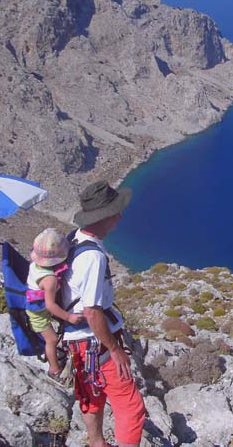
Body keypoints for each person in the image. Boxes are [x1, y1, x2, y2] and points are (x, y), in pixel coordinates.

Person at [61, 180, 146, 447]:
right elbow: (92, 312)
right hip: (96, 344)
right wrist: (115, 348)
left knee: (91, 395)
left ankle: (97, 443)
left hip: (75, 343)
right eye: (116, 210)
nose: (120, 215)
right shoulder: (93, 258)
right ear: (107, 216)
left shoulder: (74, 238)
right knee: (131, 407)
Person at [26, 228, 84, 385]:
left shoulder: (36, 266)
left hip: (38, 307)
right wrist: (69, 317)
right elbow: (50, 306)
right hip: (38, 314)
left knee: (53, 337)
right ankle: (54, 370)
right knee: (51, 340)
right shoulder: (49, 279)